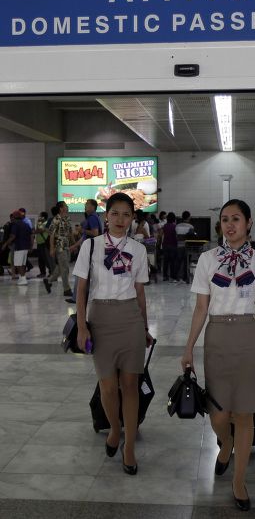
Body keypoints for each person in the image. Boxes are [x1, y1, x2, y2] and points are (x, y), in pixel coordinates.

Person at [181, 199, 255, 512]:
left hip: (249, 336)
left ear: (249, 222)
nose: (229, 224)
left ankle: (239, 480)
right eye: (225, 219)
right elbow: (200, 308)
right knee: (219, 413)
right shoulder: (208, 260)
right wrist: (188, 347)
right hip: (218, 337)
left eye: (236, 218)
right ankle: (227, 443)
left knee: (245, 414)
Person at [74, 192, 153, 475]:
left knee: (130, 386)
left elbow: (141, 291)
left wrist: (145, 327)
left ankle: (129, 445)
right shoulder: (91, 247)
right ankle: (115, 430)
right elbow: (81, 289)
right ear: (106, 216)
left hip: (130, 318)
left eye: (126, 214)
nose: (120, 219)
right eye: (115, 213)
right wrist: (82, 326)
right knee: (108, 387)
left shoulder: (138, 249)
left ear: (133, 219)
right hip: (101, 319)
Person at [67, 199, 102, 304]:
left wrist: (81, 230)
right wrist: (75, 245)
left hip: (91, 249)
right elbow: (84, 237)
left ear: (93, 207)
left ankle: (78, 297)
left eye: (87, 205)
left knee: (81, 273)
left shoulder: (92, 218)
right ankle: (79, 297)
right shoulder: (94, 217)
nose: (85, 206)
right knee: (83, 274)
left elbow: (95, 233)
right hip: (90, 249)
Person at [43, 201, 75, 296]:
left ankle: (48, 281)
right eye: (66, 206)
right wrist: (52, 248)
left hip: (67, 246)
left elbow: (70, 233)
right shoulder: (56, 219)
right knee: (64, 268)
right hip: (59, 246)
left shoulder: (67, 218)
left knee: (61, 267)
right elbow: (51, 234)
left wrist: (74, 244)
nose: (67, 207)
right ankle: (67, 289)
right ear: (61, 208)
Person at [1, 209, 33, 285]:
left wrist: (5, 244)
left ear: (15, 217)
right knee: (23, 264)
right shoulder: (26, 224)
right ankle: (22, 278)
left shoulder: (16, 224)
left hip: (19, 247)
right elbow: (31, 235)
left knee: (18, 264)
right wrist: (31, 247)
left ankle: (23, 279)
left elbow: (13, 236)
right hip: (26, 247)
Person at [176, 210, 195, 283]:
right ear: (189, 217)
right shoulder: (191, 226)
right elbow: (192, 237)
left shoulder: (177, 226)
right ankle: (185, 277)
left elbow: (176, 236)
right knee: (186, 262)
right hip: (187, 246)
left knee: (178, 262)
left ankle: (178, 277)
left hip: (178, 246)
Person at [162, 212, 178, 282]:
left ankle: (165, 276)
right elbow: (176, 236)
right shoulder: (175, 226)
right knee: (172, 262)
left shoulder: (165, 226)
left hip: (165, 244)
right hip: (173, 245)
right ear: (174, 219)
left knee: (166, 261)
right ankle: (172, 276)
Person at [35, 211, 50, 278]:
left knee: (46, 259)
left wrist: (39, 222)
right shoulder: (41, 223)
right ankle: (42, 272)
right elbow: (36, 230)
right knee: (40, 259)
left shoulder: (46, 224)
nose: (39, 217)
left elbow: (39, 230)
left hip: (44, 243)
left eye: (40, 216)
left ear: (43, 217)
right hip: (39, 243)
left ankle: (51, 271)